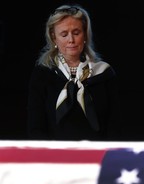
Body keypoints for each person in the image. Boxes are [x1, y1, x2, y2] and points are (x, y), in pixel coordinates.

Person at [27, 4, 121, 141]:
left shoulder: (104, 73)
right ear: (54, 38)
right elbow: (35, 127)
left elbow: (114, 125)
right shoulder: (43, 73)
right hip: (55, 156)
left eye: (76, 33)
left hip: (97, 155)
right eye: (64, 34)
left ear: (85, 35)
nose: (71, 40)